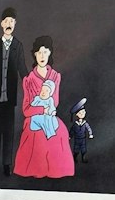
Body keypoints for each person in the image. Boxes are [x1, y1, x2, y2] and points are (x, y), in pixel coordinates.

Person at [13, 38, 72, 179]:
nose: (42, 56)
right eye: (39, 52)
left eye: (45, 52)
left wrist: (48, 110)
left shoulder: (55, 77)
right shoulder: (29, 80)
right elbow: (26, 109)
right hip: (34, 118)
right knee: (37, 135)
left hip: (50, 116)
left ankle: (57, 171)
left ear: (50, 53)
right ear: (34, 55)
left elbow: (55, 102)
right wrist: (41, 110)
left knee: (60, 131)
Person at [0, 7, 27, 176]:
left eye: (12, 21)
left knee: (8, 132)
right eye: (6, 21)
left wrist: (32, 84)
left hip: (10, 99)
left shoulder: (18, 46)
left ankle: (7, 165)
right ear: (2, 24)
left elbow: (23, 70)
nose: (9, 24)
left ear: (15, 24)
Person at [66, 97, 94, 166]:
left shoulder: (85, 123)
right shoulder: (75, 124)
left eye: (83, 112)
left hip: (83, 138)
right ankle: (74, 158)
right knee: (76, 149)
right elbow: (72, 131)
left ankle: (83, 158)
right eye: (80, 113)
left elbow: (88, 128)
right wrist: (70, 136)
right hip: (77, 139)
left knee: (83, 149)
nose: (82, 114)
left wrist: (90, 134)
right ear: (77, 114)